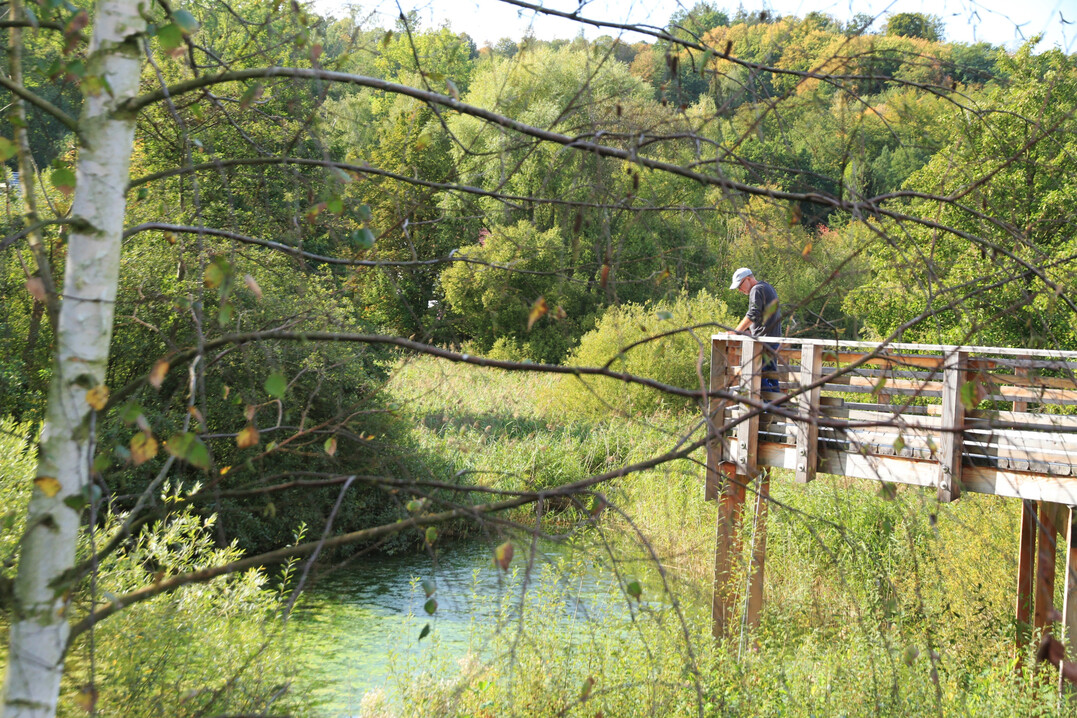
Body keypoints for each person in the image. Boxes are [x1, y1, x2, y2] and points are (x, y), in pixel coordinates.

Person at [729, 267, 782, 392]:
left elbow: (753, 314)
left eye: (740, 286)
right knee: (771, 378)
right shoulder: (767, 287)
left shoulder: (756, 289)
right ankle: (776, 409)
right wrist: (749, 332)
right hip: (772, 341)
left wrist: (736, 331)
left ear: (748, 279)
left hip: (764, 343)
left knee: (754, 377)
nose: (740, 290)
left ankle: (772, 409)